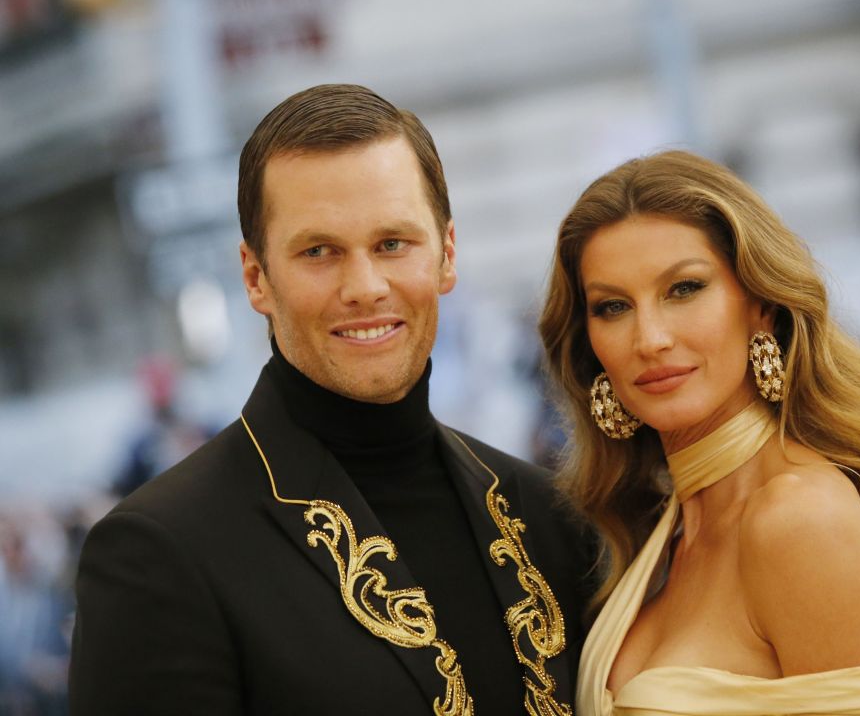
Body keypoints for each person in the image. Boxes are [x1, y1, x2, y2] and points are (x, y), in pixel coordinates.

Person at [70, 84, 591, 715]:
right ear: (256, 276)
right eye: (319, 252)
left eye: (392, 244)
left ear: (446, 254)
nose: (365, 287)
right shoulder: (159, 553)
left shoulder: (551, 517)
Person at [537, 150, 860, 716]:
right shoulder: (665, 530)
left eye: (683, 289)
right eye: (613, 306)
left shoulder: (800, 518)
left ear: (760, 306)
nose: (650, 338)